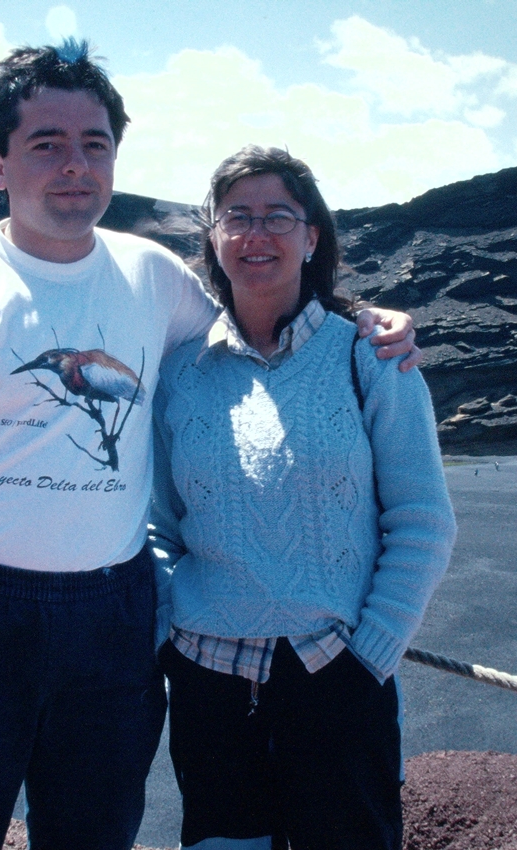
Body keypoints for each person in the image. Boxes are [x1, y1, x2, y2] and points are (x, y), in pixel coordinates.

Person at [0, 42, 421, 850]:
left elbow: (263, 316)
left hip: (112, 621)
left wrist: (366, 319)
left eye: (94, 144)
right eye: (46, 143)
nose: (74, 165)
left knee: (93, 833)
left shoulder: (152, 277)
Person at [151, 146, 458, 850]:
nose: (256, 234)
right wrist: (170, 634)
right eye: (237, 217)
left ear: (312, 236)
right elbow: (159, 526)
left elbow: (422, 522)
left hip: (336, 677)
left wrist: (369, 657)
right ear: (214, 237)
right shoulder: (180, 372)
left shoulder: (370, 356)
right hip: (206, 681)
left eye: (278, 216)